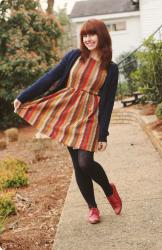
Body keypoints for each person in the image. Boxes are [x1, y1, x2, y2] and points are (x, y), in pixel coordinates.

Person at [14, 19, 122, 224]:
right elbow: (50, 77)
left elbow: (107, 102)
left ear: (102, 37)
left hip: (90, 117)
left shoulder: (111, 68)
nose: (88, 39)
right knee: (77, 164)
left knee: (86, 162)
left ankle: (109, 190)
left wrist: (103, 134)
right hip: (67, 113)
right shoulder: (74, 56)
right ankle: (92, 208)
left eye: (92, 34)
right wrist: (24, 96)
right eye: (85, 35)